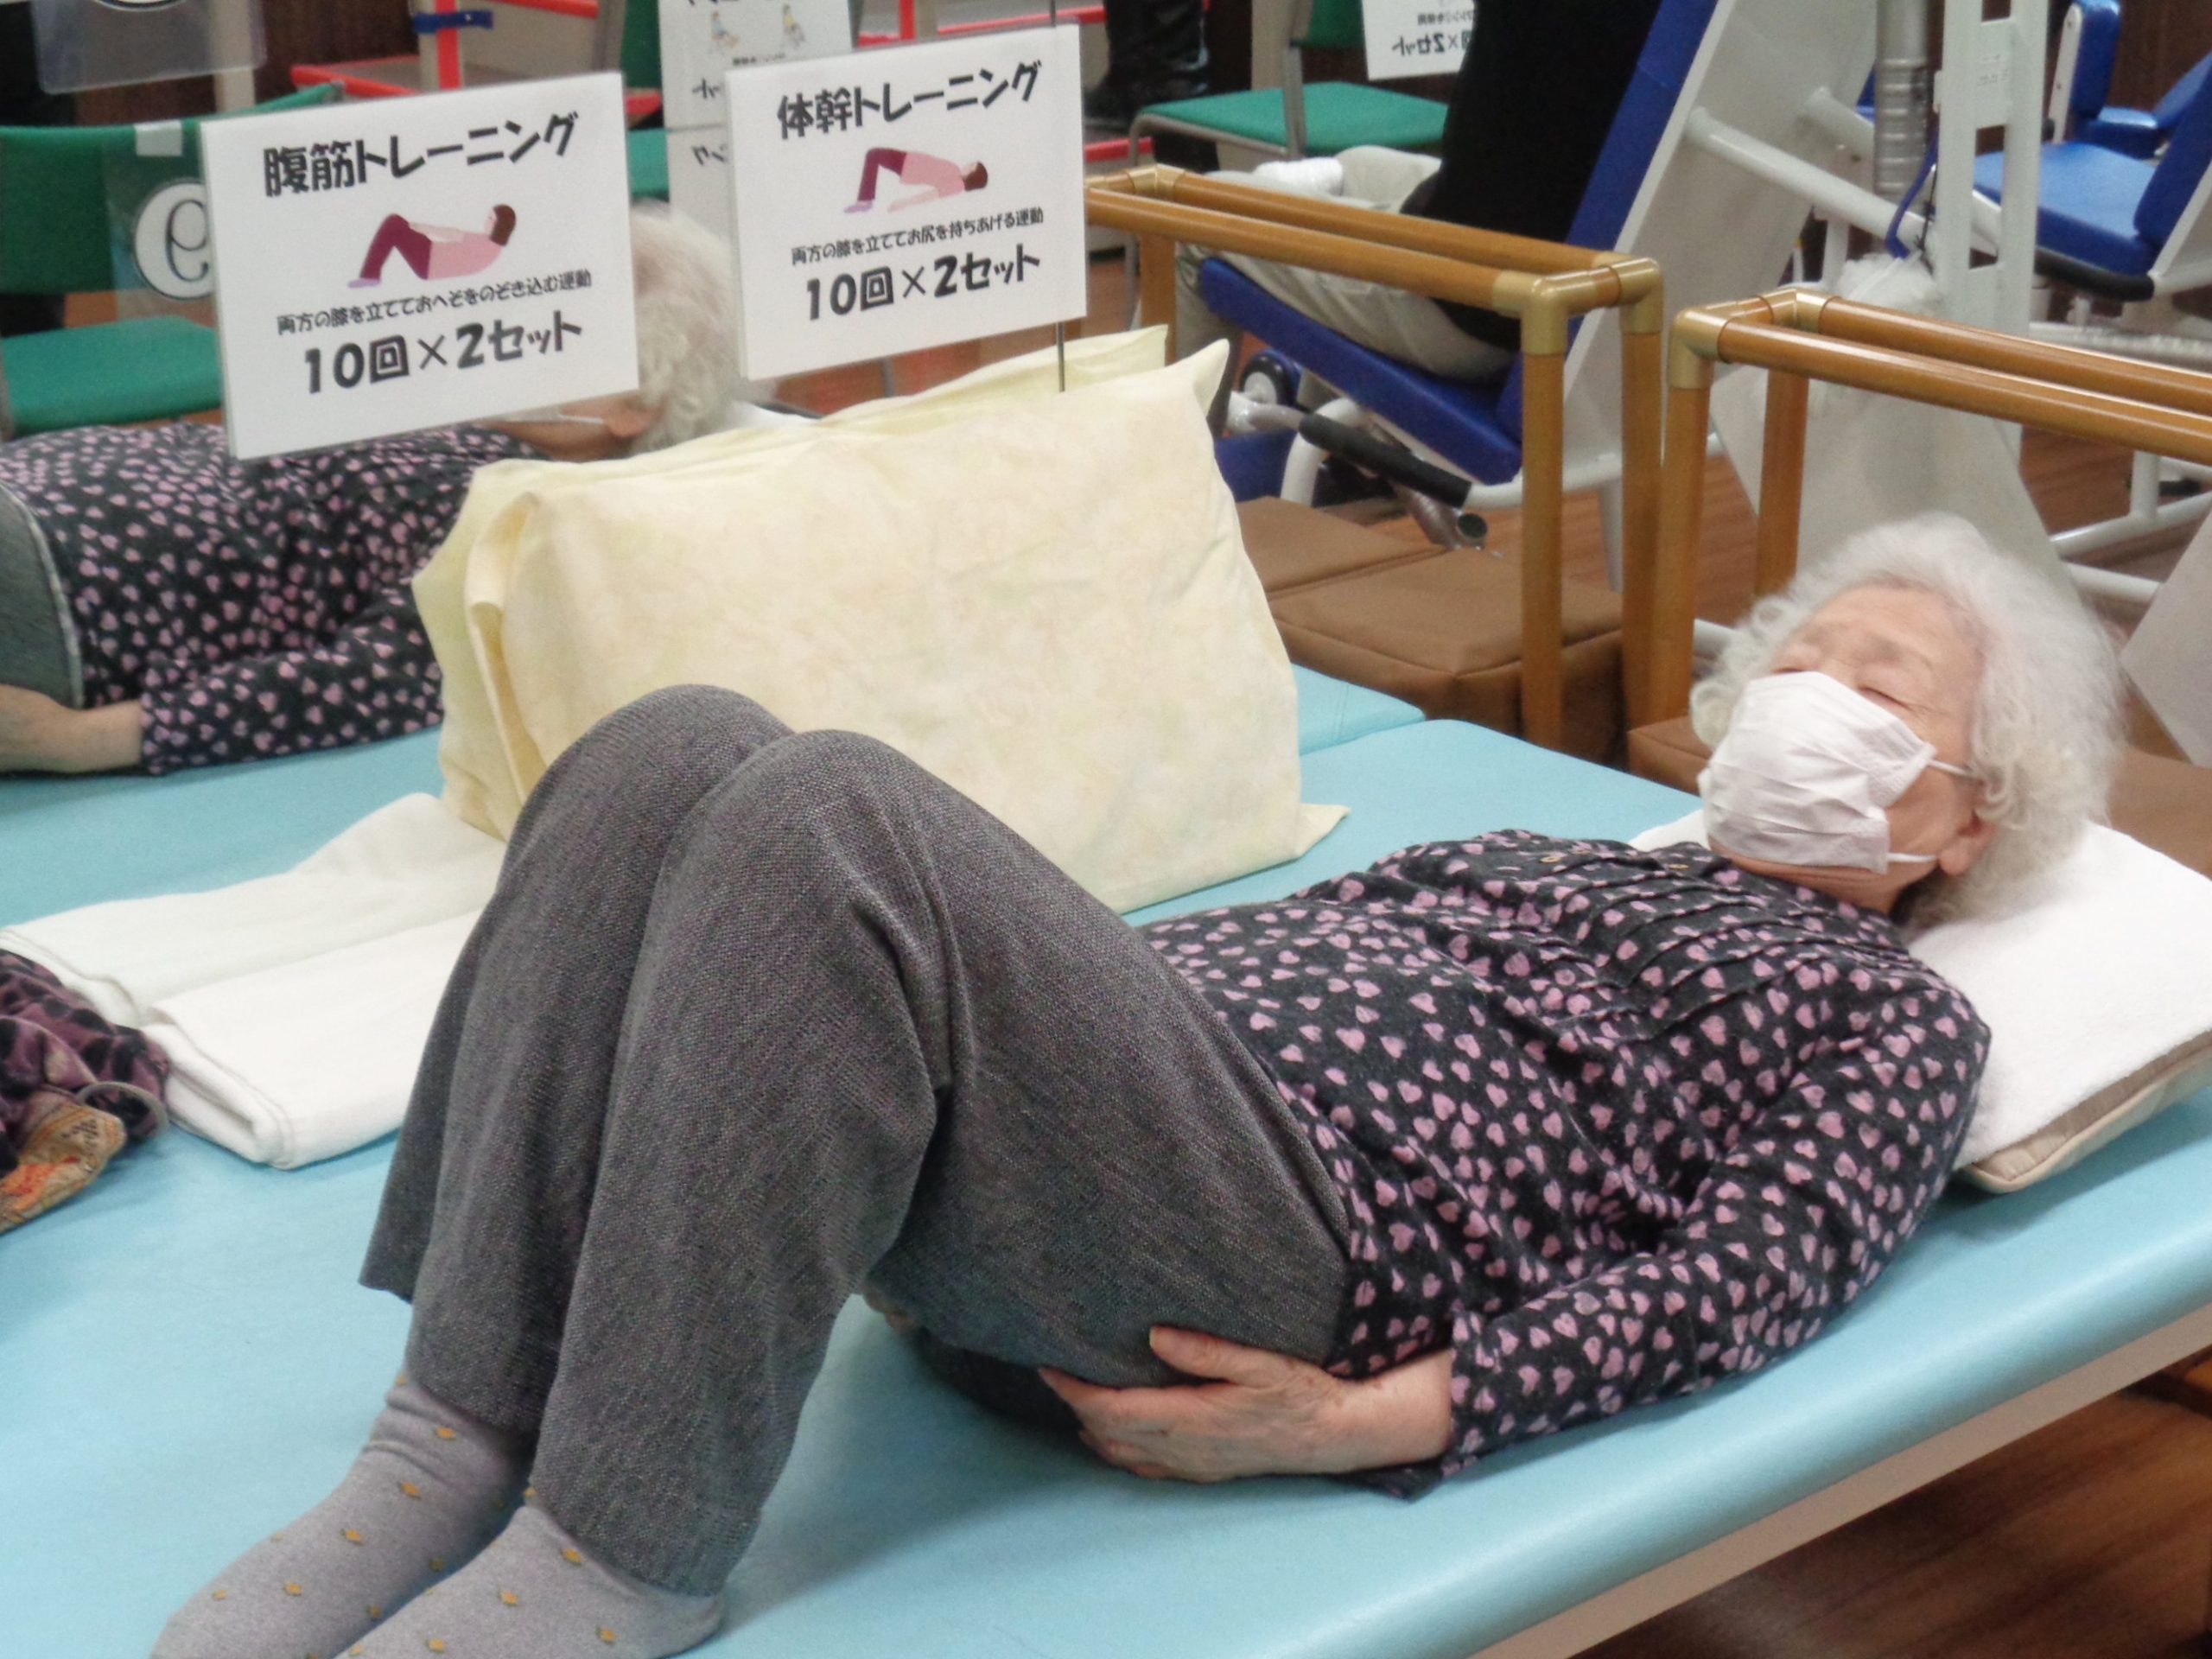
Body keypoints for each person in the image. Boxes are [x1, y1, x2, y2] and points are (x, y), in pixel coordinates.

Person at [149, 515, 2121, 1659]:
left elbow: (1734, 1286)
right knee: (674, 743)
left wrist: (1346, 1427)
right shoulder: (1543, 848)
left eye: (1880, 692)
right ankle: (456, 1430)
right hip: (1108, 1156)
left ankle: (620, 1551)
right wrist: (969, 1032)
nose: (1814, 698)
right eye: (1802, 661)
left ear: (1970, 817)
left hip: (1293, 1247)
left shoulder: (1891, 1022)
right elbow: (1246, 958)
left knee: (828, 809)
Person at [0, 205, 737, 779]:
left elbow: (372, 683)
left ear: (634, 407)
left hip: (77, 582)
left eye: (561, 327)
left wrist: (74, 742)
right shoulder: (432, 403)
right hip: (42, 496)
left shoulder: (528, 514)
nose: (511, 328)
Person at [1176, 0, 1666, 385]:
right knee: (1356, 164)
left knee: (1192, 215)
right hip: (1565, 246)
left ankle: (1162, 476)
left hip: (1475, 302)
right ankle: (1339, 439)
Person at [352, 204, 518, 289]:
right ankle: (370, 276)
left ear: (500, 225)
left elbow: (453, 234)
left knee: (393, 222)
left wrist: (423, 228)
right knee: (395, 224)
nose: (486, 221)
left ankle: (370, 276)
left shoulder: (485, 244)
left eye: (491, 219)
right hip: (431, 255)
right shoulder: (493, 248)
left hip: (428, 262)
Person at [844, 147, 987, 213]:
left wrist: (905, 203)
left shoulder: (958, 185)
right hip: (909, 159)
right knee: (873, 155)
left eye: (972, 166)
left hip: (908, 167)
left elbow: (932, 195)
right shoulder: (956, 170)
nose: (968, 164)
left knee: (873, 155)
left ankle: (865, 201)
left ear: (974, 176)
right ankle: (865, 200)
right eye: (971, 163)